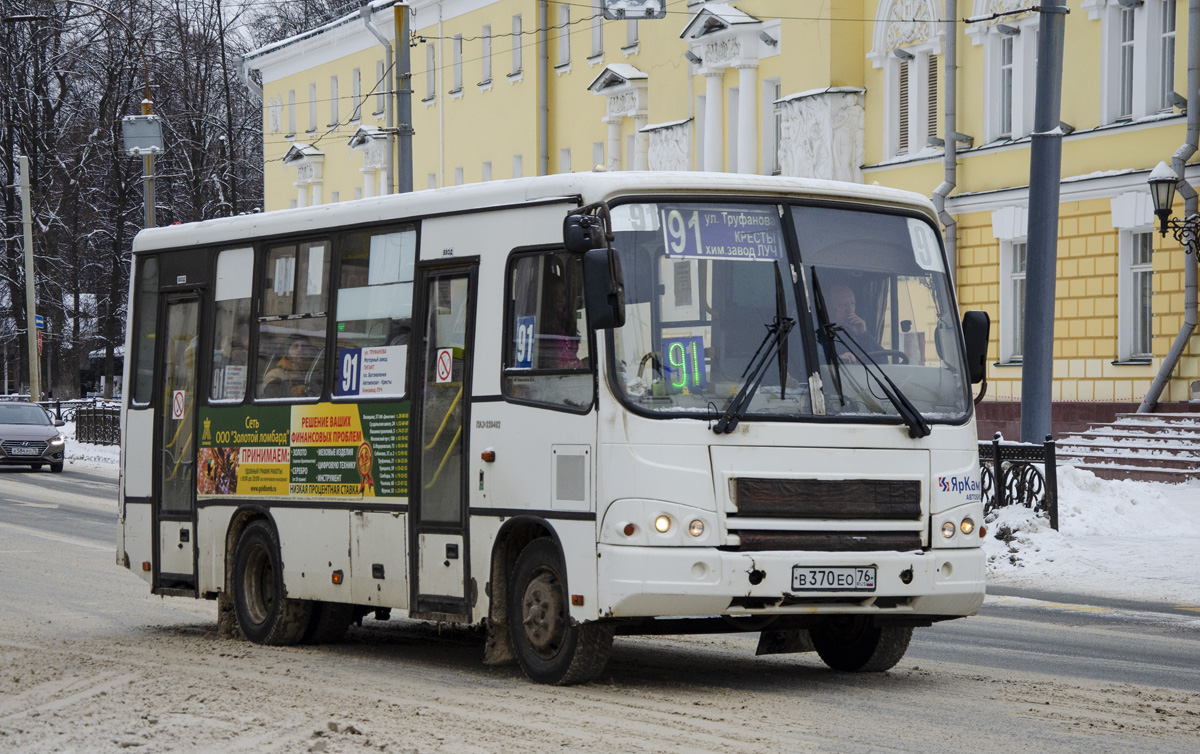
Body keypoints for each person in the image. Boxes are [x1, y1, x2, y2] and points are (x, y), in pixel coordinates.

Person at [826, 283, 881, 363]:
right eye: (843, 304)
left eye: (852, 303)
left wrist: (863, 334)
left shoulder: (851, 333)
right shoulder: (818, 333)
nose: (850, 310)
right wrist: (836, 360)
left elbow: (882, 362)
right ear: (828, 307)